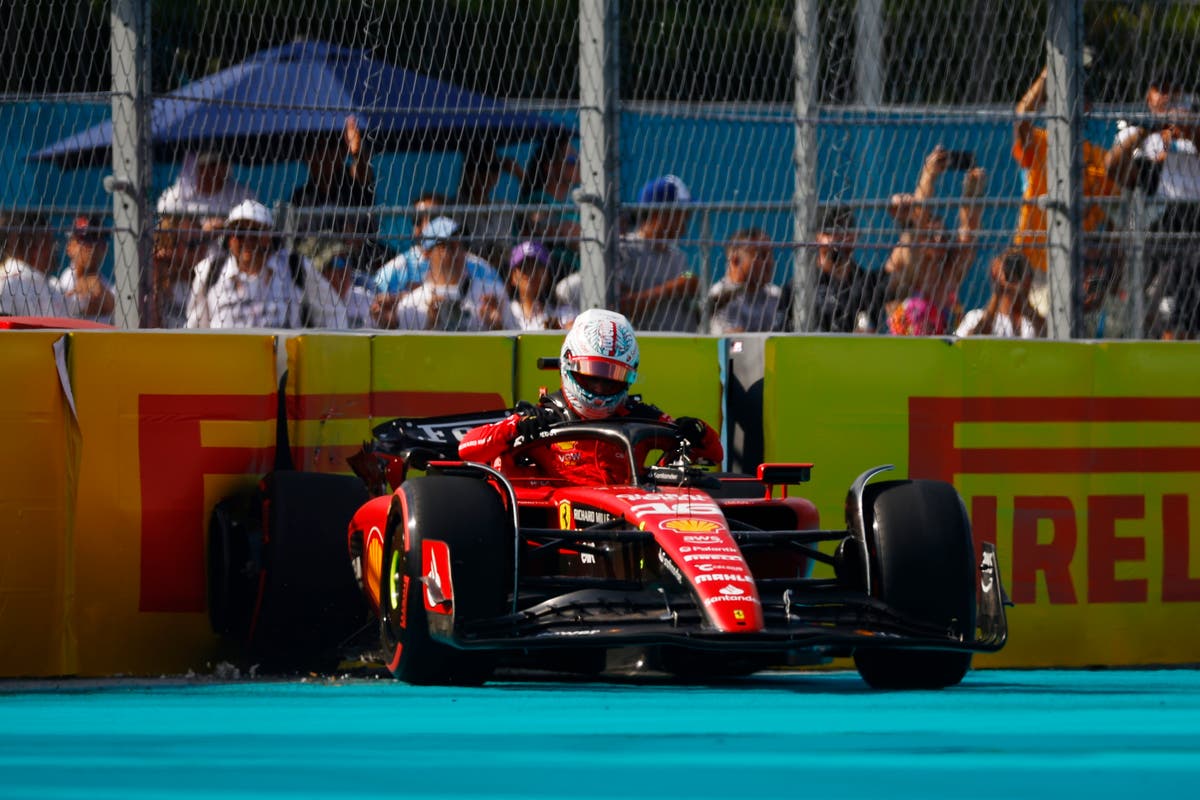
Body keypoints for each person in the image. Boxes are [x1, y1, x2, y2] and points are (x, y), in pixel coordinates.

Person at [458, 308, 722, 485]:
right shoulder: (542, 419)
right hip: (554, 538)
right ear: (569, 363)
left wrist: (697, 431)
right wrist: (513, 428)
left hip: (635, 530)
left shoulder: (641, 418)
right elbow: (467, 448)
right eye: (592, 376)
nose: (598, 391)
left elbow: (715, 453)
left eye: (610, 380)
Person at [1106, 72, 1200, 339]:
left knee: (1185, 270)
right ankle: (1155, 329)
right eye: (1161, 89)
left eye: (1174, 90)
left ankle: (1178, 331)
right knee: (1159, 281)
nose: (1168, 96)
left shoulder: (1192, 122)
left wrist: (1185, 128)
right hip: (1160, 220)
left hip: (1194, 218)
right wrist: (1149, 126)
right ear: (1149, 96)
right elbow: (1113, 168)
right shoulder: (1141, 133)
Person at [883, 146, 986, 335]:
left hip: (944, 342)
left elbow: (968, 232)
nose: (938, 239)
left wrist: (973, 193)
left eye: (943, 234)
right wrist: (929, 175)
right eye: (931, 235)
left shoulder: (950, 269)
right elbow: (918, 220)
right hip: (908, 342)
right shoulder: (908, 256)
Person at [185, 200, 333, 329]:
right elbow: (195, 328)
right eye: (240, 232)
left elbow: (333, 313)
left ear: (269, 236)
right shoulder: (210, 271)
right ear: (230, 239)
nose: (248, 238)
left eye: (255, 231)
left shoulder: (296, 267)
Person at [381, 216, 516, 331]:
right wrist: (431, 326)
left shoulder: (492, 295)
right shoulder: (411, 305)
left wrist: (497, 328)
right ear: (426, 252)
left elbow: (517, 343)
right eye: (447, 247)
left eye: (460, 245)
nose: (457, 253)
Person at [289, 115, 377, 237]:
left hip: (357, 252)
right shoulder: (300, 198)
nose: (324, 156)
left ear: (342, 152)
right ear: (306, 158)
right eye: (316, 150)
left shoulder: (353, 186)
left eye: (331, 147)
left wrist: (357, 154)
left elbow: (363, 174)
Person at [810, 205, 887, 333]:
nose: (841, 236)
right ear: (817, 237)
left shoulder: (868, 283)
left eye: (847, 228)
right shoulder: (805, 285)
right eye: (832, 231)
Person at [518, 131, 581, 281]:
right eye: (572, 160)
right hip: (557, 275)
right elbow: (545, 226)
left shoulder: (572, 203)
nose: (580, 164)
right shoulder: (536, 201)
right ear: (550, 166)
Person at [706, 228, 789, 334]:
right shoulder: (719, 298)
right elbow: (733, 343)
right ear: (735, 260)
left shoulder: (776, 296)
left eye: (770, 255)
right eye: (761, 255)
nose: (769, 262)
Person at [456, 144, 523, 271]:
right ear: (467, 171)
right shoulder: (457, 209)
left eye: (493, 167)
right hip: (472, 270)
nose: (486, 174)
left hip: (507, 271)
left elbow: (536, 201)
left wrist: (518, 173)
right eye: (480, 167)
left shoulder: (504, 207)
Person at [154, 151, 257, 231]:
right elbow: (165, 236)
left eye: (223, 162)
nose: (218, 169)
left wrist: (227, 227)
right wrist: (200, 233)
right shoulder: (173, 198)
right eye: (211, 164)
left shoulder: (243, 195)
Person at [955, 249, 1046, 338]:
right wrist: (997, 294)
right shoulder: (975, 317)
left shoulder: (1031, 323)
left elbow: (1050, 336)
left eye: (1020, 268)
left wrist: (1027, 306)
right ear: (995, 274)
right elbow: (966, 344)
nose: (1015, 272)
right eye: (1009, 267)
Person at [0, 209, 68, 317]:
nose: (54, 247)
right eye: (48, 240)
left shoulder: (53, 287)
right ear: (30, 244)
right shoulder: (8, 284)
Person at [53, 214, 115, 324]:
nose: (90, 246)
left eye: (95, 239)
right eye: (83, 240)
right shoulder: (66, 281)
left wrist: (103, 294)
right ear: (70, 247)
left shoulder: (106, 284)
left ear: (104, 248)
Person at [150, 212, 208, 328]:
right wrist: (155, 278)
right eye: (192, 244)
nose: (201, 249)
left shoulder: (207, 281)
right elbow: (152, 331)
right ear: (171, 246)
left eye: (203, 241)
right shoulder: (161, 287)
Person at [506, 240, 569, 330]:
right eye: (524, 267)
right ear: (513, 277)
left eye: (537, 266)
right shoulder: (506, 312)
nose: (531, 273)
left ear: (548, 274)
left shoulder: (564, 314)